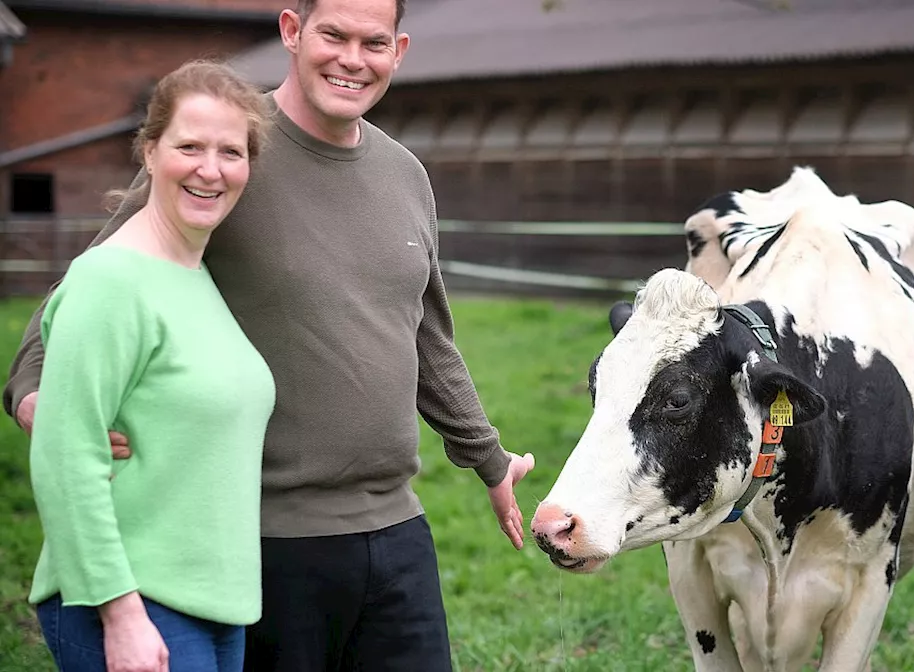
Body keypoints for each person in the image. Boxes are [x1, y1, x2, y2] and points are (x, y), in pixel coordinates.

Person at [5, 0, 535, 669]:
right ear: (291, 30)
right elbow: (96, 278)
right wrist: (33, 391)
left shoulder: (406, 175)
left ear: (398, 52)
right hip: (268, 536)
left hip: (397, 525)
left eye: (373, 42)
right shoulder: (224, 149)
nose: (352, 59)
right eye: (333, 35)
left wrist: (487, 458)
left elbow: (427, 334)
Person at [24, 60, 275, 672]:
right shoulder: (110, 279)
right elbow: (66, 456)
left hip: (217, 605)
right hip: (131, 599)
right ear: (149, 151)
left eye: (231, 152)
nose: (210, 169)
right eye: (189, 146)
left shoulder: (196, 276)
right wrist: (121, 612)